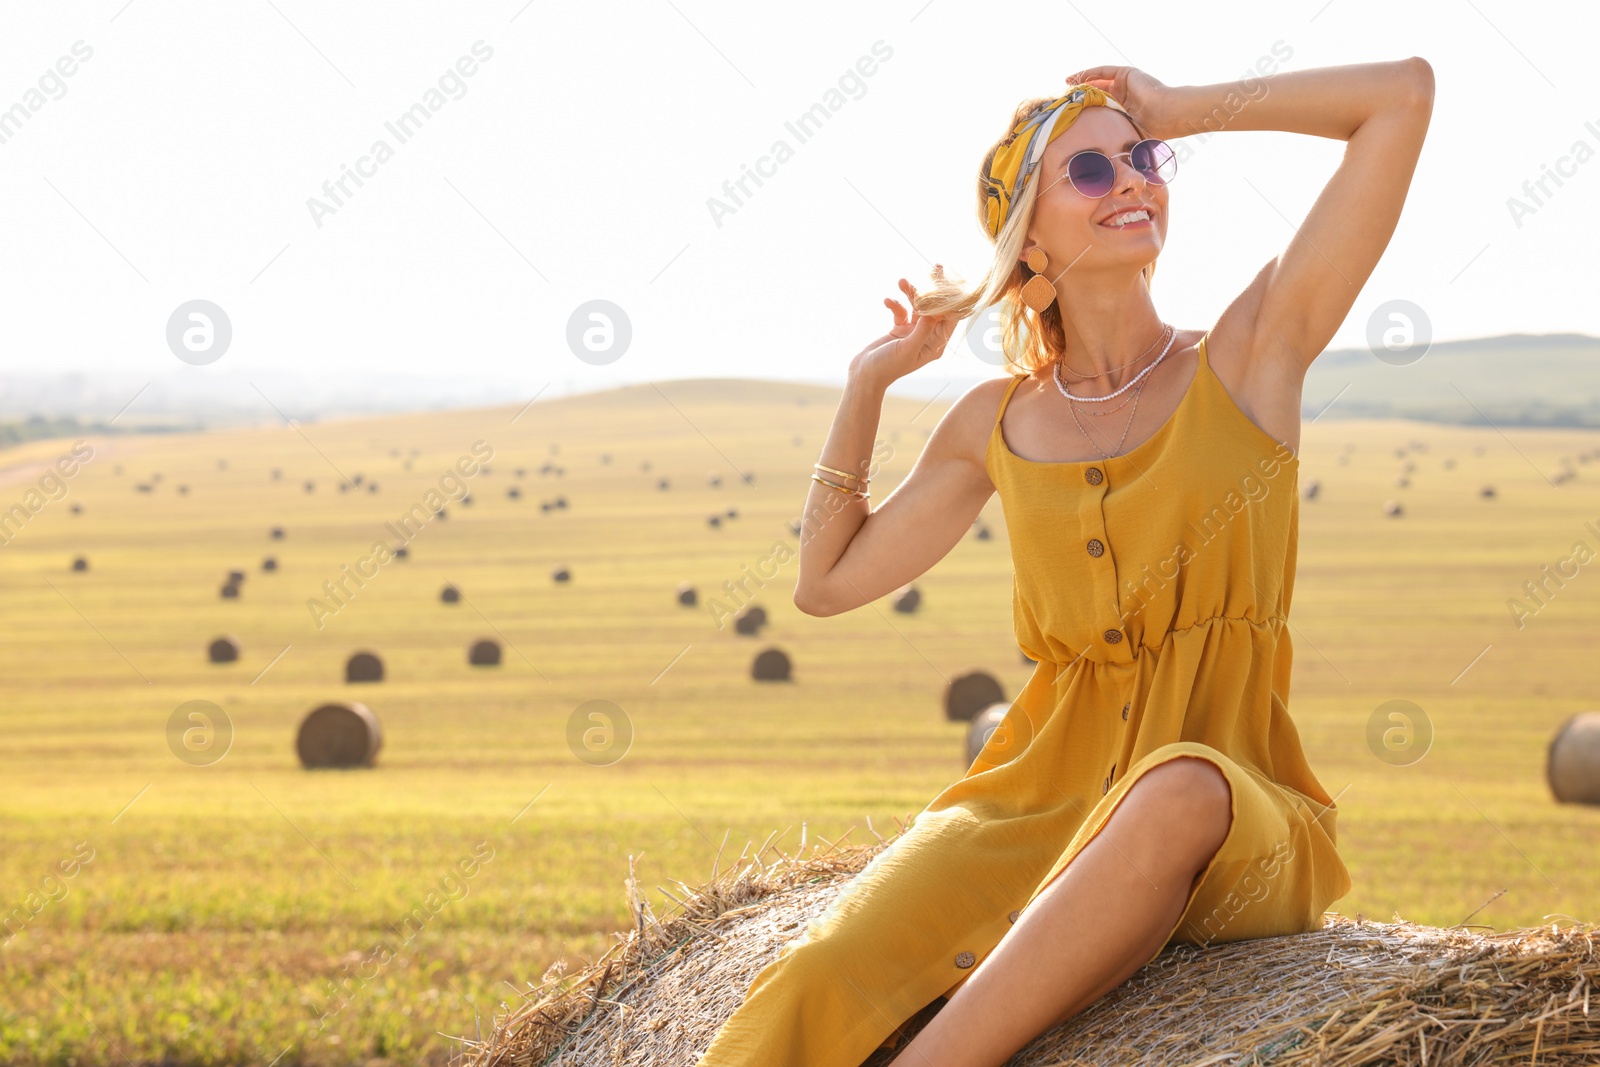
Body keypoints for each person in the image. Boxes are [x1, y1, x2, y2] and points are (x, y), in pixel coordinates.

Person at [694, 57, 1435, 1067]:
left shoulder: (1252, 353)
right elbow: (825, 583)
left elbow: (1401, 97)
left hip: (1230, 814)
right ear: (1027, 235)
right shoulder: (992, 422)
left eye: (1143, 159)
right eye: (1090, 172)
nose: (1132, 180)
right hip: (1026, 802)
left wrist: (1179, 107)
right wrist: (866, 385)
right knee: (817, 976)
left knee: (1175, 789)